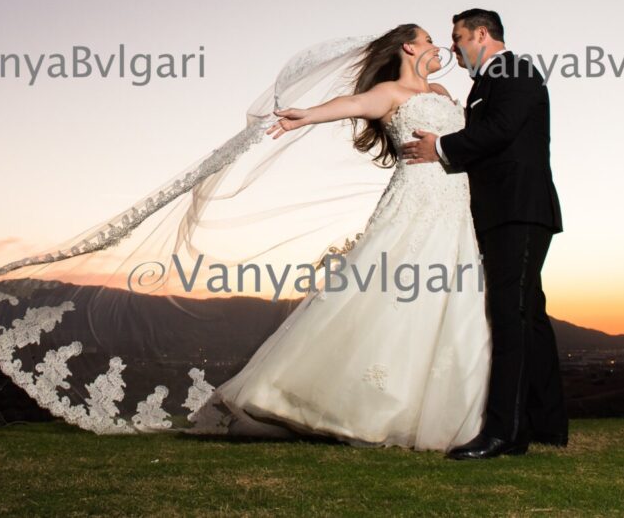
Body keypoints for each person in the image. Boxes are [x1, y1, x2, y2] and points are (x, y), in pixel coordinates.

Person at [211, 23, 493, 451]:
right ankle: (334, 403)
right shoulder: (392, 93)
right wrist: (308, 114)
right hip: (414, 204)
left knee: (448, 298)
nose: (439, 47)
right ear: (408, 47)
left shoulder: (442, 95)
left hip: (455, 206)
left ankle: (430, 410)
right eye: (430, 40)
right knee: (391, 294)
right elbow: (354, 102)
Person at [400, 8, 568, 459]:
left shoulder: (514, 70)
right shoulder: (485, 82)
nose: (453, 47)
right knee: (528, 314)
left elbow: (499, 131)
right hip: (505, 210)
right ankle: (547, 423)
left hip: (518, 209)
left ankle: (506, 433)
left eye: (457, 38)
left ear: (481, 34)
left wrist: (441, 147)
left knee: (509, 316)